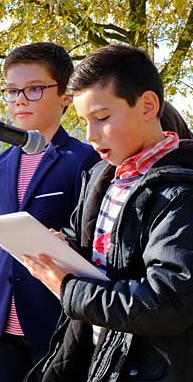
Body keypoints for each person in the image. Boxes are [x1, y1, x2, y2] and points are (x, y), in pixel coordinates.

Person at [23, 44, 193, 382]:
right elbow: (89, 246)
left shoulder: (181, 194)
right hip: (96, 358)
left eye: (102, 118)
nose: (89, 136)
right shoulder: (102, 175)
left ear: (147, 106)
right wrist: (63, 247)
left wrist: (69, 289)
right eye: (84, 122)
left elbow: (169, 303)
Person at [0, 42, 100, 381]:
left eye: (34, 89)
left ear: (66, 95)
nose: (20, 99)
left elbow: (92, 242)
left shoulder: (85, 160)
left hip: (58, 322)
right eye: (12, 90)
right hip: (4, 320)